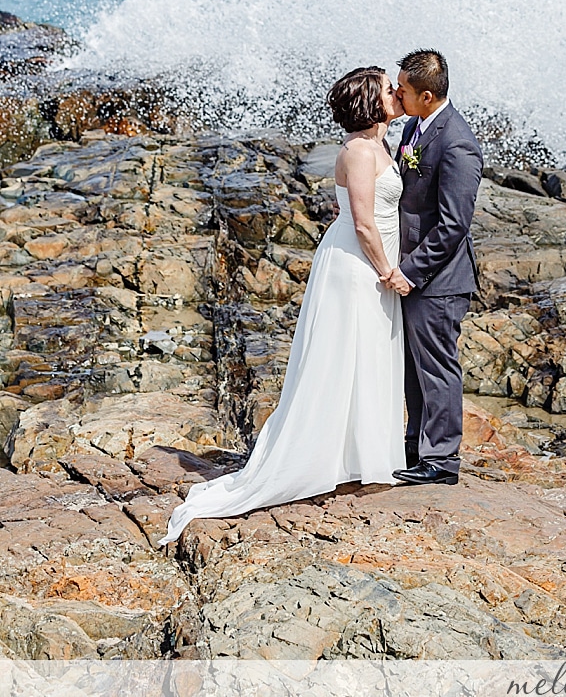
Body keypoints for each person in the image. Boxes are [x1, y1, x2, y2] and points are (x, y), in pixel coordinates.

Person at [159, 66, 407, 545]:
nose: (395, 92)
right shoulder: (358, 150)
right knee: (343, 358)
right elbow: (359, 222)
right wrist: (388, 271)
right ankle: (324, 459)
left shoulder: (380, 144)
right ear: (371, 103)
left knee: (369, 356)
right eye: (386, 88)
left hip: (368, 261)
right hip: (359, 266)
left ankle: (362, 457)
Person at [386, 50, 483, 486]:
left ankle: (441, 461)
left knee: (438, 368)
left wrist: (411, 271)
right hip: (413, 271)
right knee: (413, 366)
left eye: (403, 90)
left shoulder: (457, 143)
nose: (397, 94)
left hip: (439, 280)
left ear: (426, 95)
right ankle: (415, 448)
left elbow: (453, 224)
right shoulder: (413, 126)